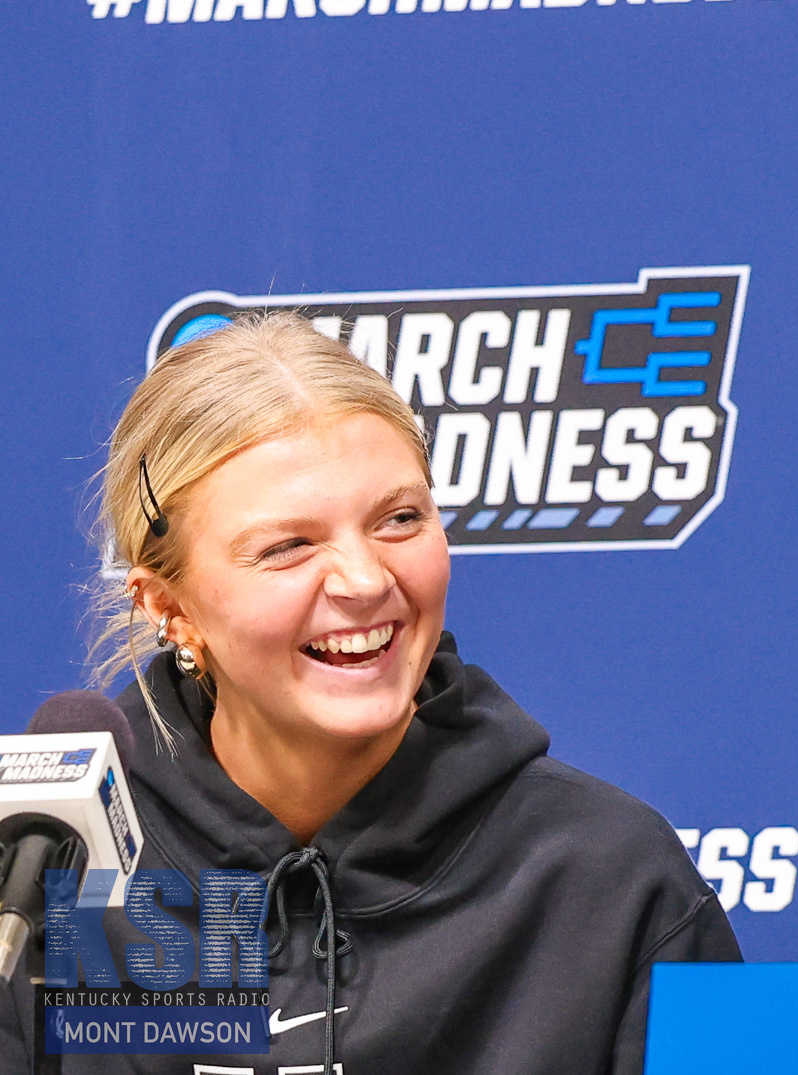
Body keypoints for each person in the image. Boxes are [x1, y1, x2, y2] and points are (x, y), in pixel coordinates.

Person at [0, 312, 741, 1074]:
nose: (364, 580)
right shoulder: (50, 878)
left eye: (400, 519)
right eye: (288, 546)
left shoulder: (606, 877)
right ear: (171, 608)